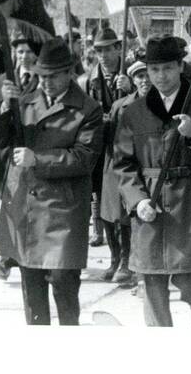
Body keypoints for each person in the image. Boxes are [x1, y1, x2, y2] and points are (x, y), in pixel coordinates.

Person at [112, 36, 191, 327]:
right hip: (150, 210)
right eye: (154, 70)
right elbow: (122, 164)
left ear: (180, 66)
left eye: (167, 68)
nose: (160, 76)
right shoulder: (134, 113)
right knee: (153, 289)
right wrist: (137, 199)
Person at [0, 38, 104, 325]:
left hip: (63, 209)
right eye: (41, 76)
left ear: (69, 73)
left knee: (64, 283)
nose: (46, 82)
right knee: (32, 289)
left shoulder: (88, 109)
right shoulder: (23, 103)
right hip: (26, 206)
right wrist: (3, 107)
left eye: (53, 76)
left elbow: (84, 157)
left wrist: (37, 158)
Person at [0, 35, 41, 280]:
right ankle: (7, 259)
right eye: (19, 52)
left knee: (30, 210)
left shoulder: (44, 81)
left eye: (27, 51)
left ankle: (16, 259)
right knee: (13, 208)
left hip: (35, 153)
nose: (23, 56)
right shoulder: (4, 82)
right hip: (9, 157)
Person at [78, 27, 133, 248]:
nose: (103, 56)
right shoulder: (86, 81)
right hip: (100, 147)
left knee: (126, 199)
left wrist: (129, 91)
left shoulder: (133, 73)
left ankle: (128, 255)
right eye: (99, 51)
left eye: (108, 50)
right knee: (100, 198)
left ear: (119, 48)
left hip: (127, 146)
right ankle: (112, 251)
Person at [99, 60, 150, 288]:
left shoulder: (160, 103)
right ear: (133, 79)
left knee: (133, 217)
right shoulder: (121, 105)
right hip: (117, 162)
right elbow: (109, 133)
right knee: (112, 216)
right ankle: (117, 260)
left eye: (147, 75)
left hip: (143, 165)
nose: (144, 80)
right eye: (139, 76)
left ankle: (131, 265)